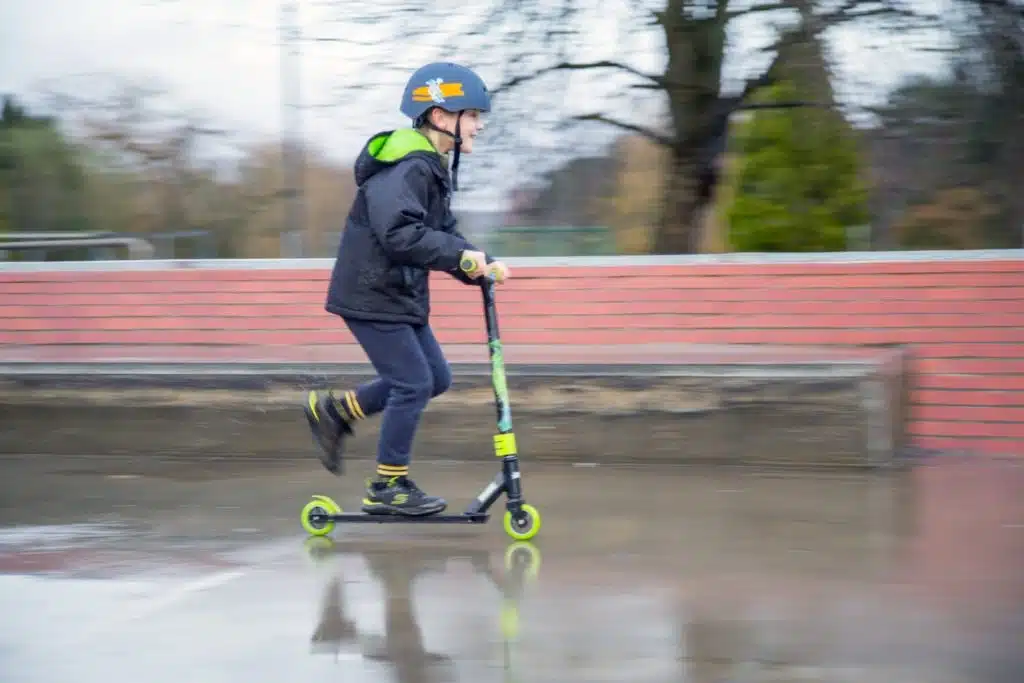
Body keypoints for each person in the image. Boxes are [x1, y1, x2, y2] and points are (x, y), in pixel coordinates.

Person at [304, 62, 510, 518]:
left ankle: (336, 414)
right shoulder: (406, 167)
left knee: (435, 378)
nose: (479, 124)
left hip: (397, 294)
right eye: (472, 114)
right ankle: (388, 485)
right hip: (371, 292)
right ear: (441, 117)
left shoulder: (429, 169)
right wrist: (458, 257)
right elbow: (400, 234)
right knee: (413, 382)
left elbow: (443, 234)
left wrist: (477, 263)